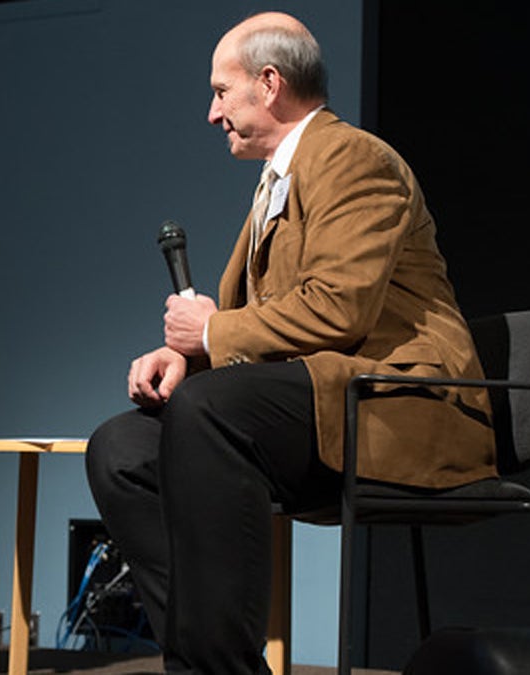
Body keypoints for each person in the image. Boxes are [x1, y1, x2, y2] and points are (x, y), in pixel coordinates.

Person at [85, 12, 495, 675]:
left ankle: (216, 664)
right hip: (317, 402)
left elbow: (339, 306)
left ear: (268, 83)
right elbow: (266, 322)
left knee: (209, 411)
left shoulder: (355, 159)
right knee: (122, 448)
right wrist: (189, 356)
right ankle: (206, 657)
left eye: (222, 91)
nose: (212, 112)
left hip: (398, 400)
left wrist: (213, 333)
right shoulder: (278, 180)